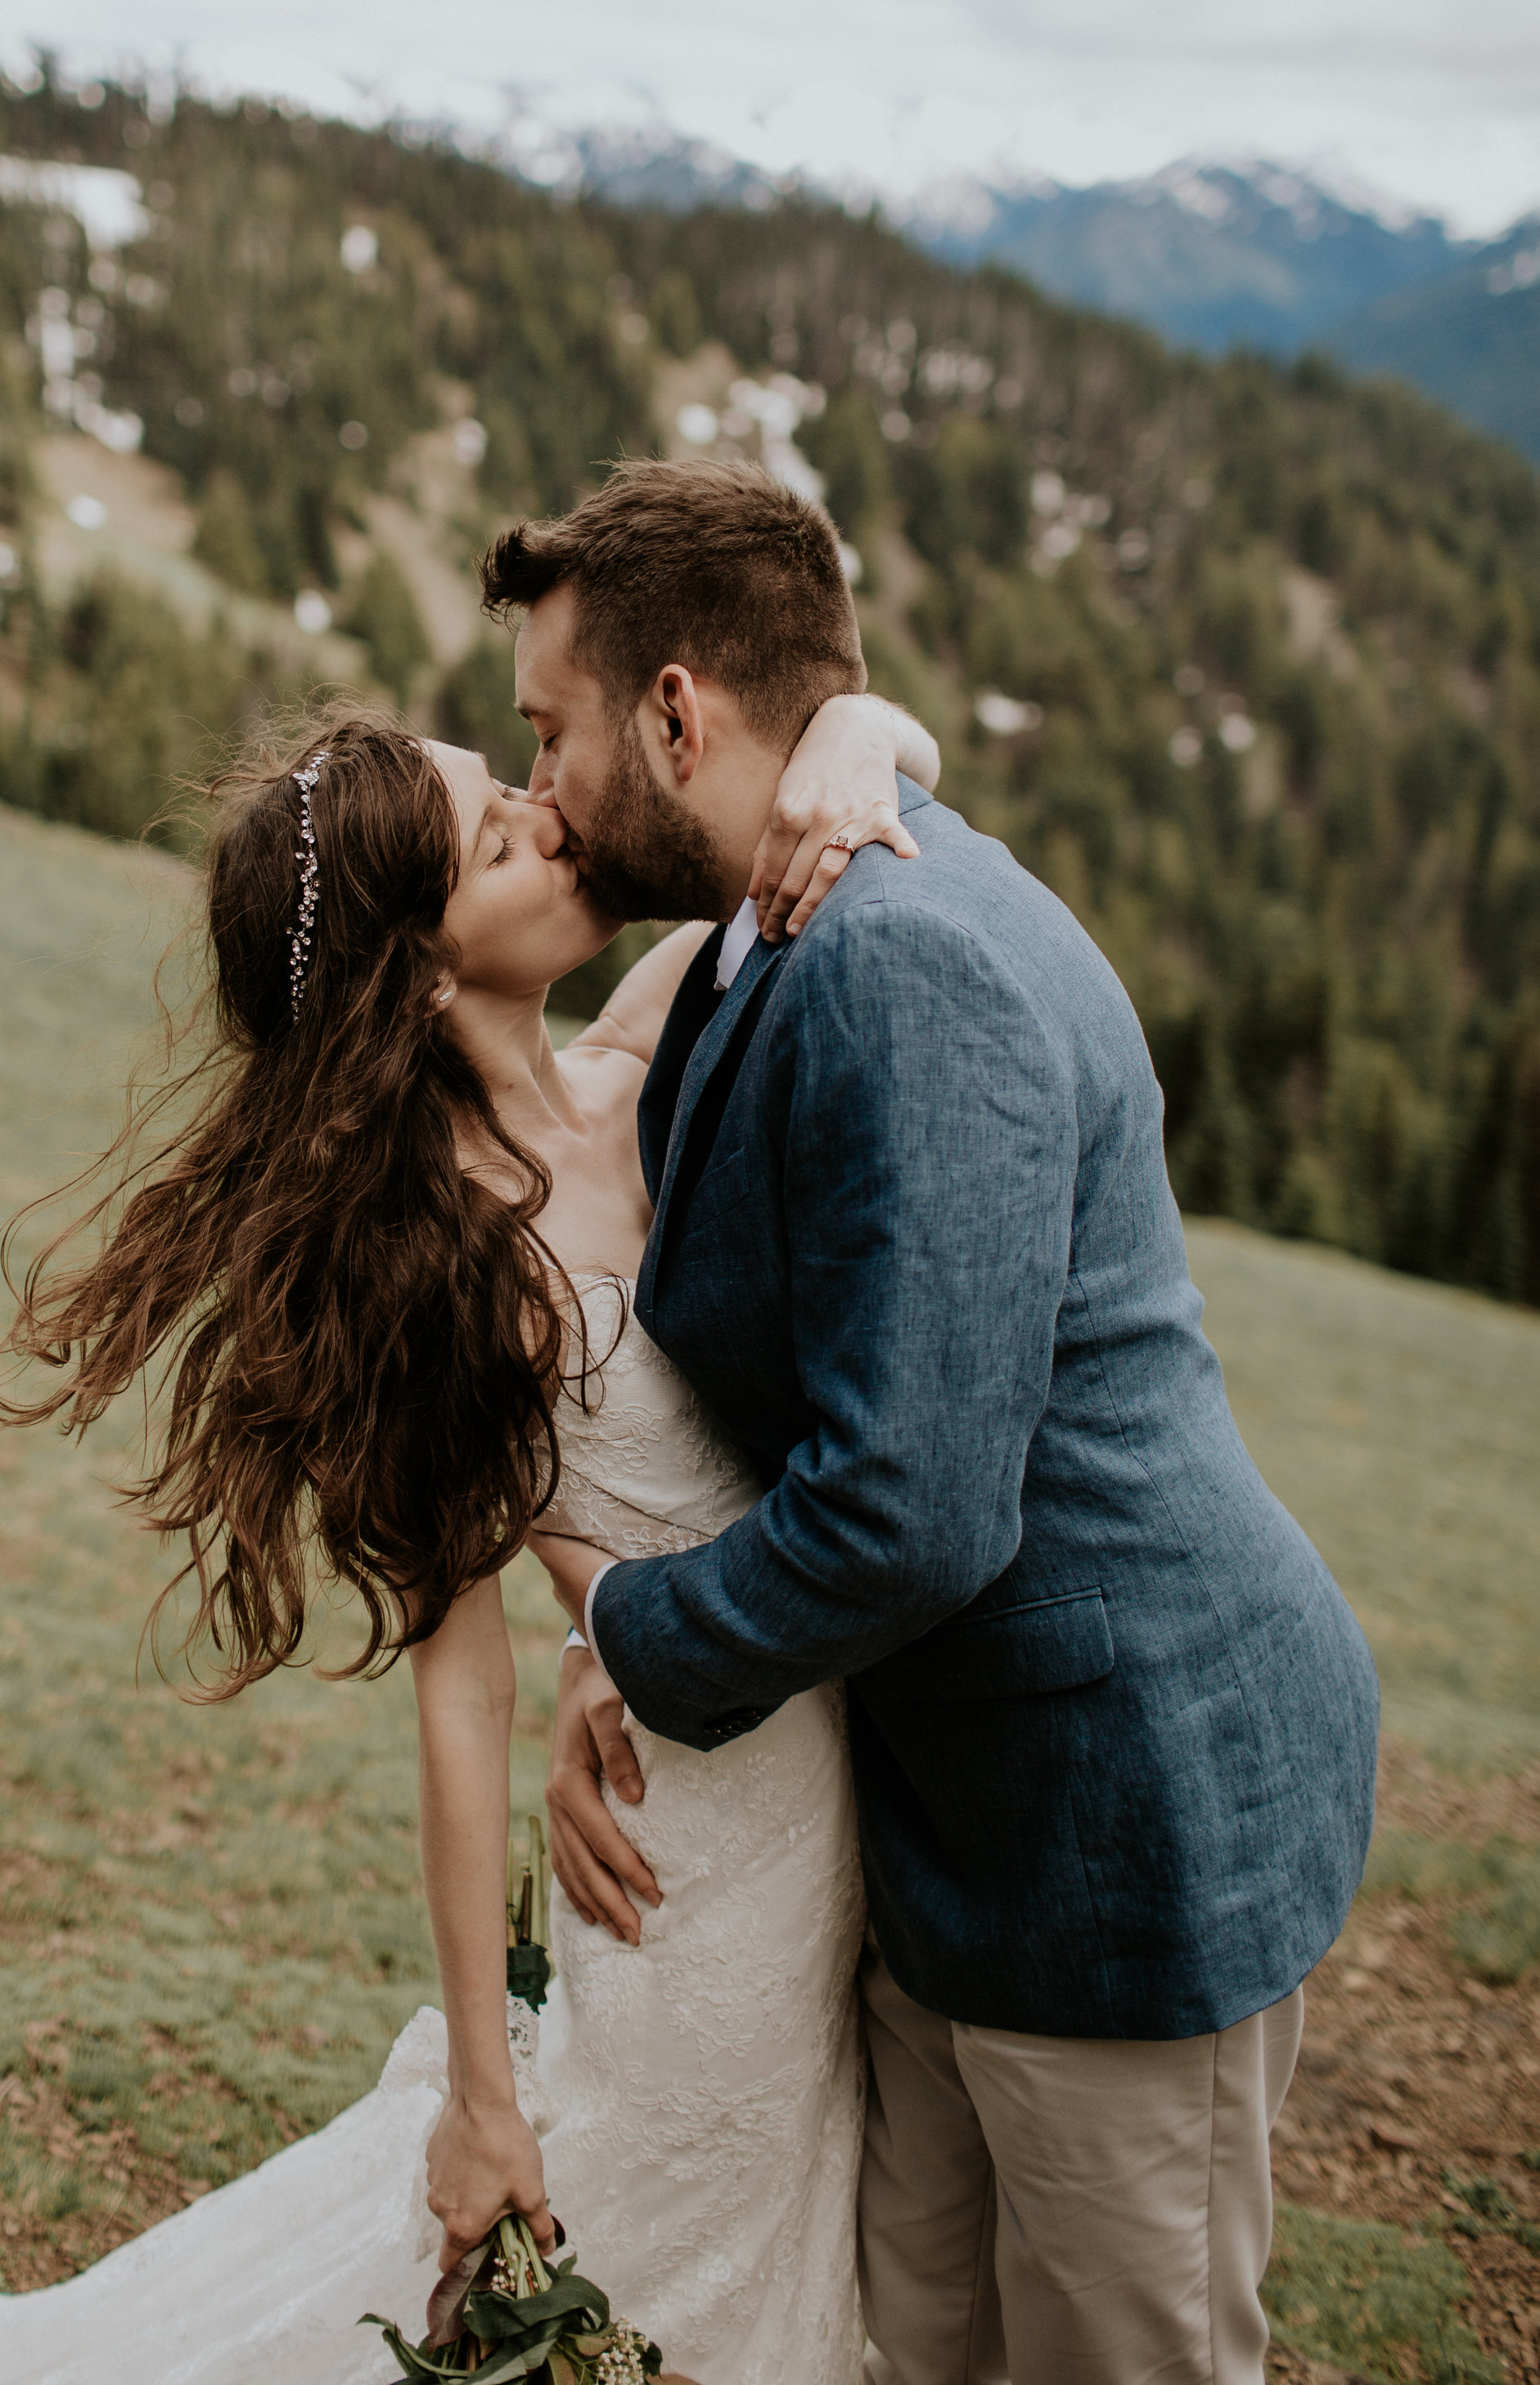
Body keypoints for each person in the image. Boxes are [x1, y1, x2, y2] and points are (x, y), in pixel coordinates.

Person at [0, 660, 937, 2385]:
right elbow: (454, 1685)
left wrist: (851, 731)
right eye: (499, 838)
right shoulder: (451, 1272)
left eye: (511, 789)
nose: (552, 821)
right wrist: (485, 2094)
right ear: (415, 969)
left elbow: (876, 777)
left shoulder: (656, 1041)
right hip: (682, 1874)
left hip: (819, 1803)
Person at [500, 459, 1382, 2385]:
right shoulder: (760, 920)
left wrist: (617, 1646)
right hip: (934, 1832)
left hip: (1115, 1810)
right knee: (920, 2342)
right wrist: (861, 732)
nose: (537, 786)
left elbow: (909, 1511)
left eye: (547, 731)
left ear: (674, 714)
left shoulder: (902, 965)